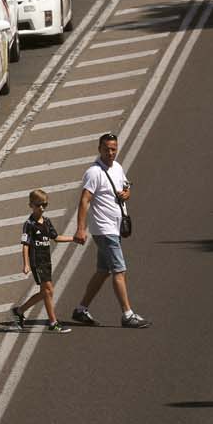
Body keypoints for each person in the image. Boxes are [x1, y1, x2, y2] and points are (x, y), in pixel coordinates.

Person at [71, 133, 149, 328]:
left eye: (114, 149)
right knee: (119, 270)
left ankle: (81, 310)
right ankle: (127, 314)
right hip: (104, 229)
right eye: (107, 149)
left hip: (114, 227)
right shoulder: (94, 172)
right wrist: (80, 229)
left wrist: (127, 193)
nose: (110, 152)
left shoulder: (117, 167)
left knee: (103, 271)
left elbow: (125, 185)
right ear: (99, 149)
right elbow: (84, 200)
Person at [10, 189, 74, 333]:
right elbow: (25, 245)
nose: (42, 208)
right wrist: (26, 264)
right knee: (48, 290)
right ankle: (53, 322)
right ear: (31, 205)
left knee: (46, 292)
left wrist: (74, 239)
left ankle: (19, 311)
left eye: (45, 204)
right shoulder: (29, 224)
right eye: (39, 205)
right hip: (37, 261)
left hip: (46, 260)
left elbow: (56, 237)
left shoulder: (47, 222)